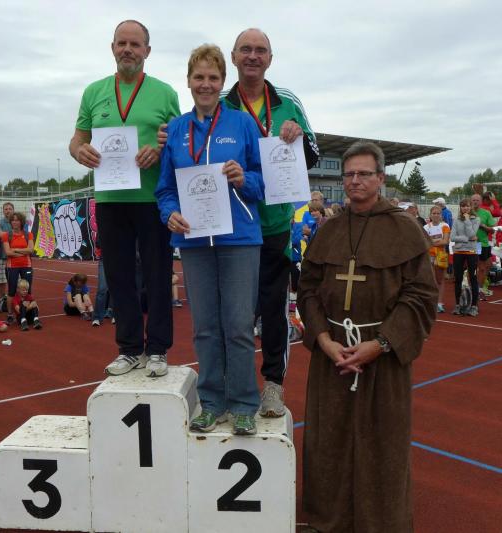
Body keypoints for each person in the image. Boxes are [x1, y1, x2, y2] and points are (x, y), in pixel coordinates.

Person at [297, 141, 437, 532]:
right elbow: (308, 289)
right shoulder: (329, 229)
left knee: (382, 442)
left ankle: (381, 522)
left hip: (382, 355)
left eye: (363, 174)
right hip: (333, 353)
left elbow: (421, 295)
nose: (355, 181)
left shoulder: (404, 228)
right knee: (329, 440)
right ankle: (328, 519)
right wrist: (323, 339)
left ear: (380, 178)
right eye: (349, 174)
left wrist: (381, 344)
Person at [156, 43, 264, 433]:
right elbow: (165, 189)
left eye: (213, 78)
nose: (206, 84)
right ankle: (212, 401)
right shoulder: (176, 130)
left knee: (238, 326)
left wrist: (244, 178)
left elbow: (263, 183)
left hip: (240, 239)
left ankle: (244, 403)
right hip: (194, 242)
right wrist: (169, 214)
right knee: (204, 327)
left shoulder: (242, 124)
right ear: (188, 81)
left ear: (223, 82)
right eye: (199, 77)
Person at [69, 20, 180, 377]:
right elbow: (77, 140)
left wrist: (160, 149)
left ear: (147, 50)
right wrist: (80, 151)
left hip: (152, 199)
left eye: (135, 44)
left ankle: (158, 348)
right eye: (122, 43)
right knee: (119, 277)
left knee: (158, 275)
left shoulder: (165, 93)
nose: (127, 49)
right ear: (112, 47)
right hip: (110, 199)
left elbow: (179, 140)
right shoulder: (94, 92)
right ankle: (130, 349)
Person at [222, 27, 319, 418]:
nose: (253, 56)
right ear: (233, 56)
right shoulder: (221, 104)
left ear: (270, 59)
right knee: (235, 313)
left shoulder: (288, 102)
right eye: (245, 49)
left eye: (260, 50)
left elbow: (313, 154)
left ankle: (273, 386)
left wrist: (298, 139)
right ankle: (234, 387)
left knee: (274, 311)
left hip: (275, 225)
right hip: (233, 225)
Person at [450, 199, 480, 316]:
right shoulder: (456, 220)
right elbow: (452, 237)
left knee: (473, 278)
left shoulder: (476, 219)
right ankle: (458, 305)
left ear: (470, 207)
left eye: (467, 206)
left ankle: (474, 306)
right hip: (458, 251)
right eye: (463, 206)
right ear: (460, 208)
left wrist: (467, 220)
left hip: (472, 252)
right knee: (458, 278)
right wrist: (467, 239)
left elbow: (472, 233)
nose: (465, 208)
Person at [2, 212, 34, 321]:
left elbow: (31, 250)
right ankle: (10, 314)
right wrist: (23, 252)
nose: (15, 222)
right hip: (12, 266)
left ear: (21, 222)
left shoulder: (28, 235)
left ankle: (27, 313)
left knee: (27, 290)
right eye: (13, 220)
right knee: (11, 291)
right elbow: (8, 252)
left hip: (26, 265)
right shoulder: (7, 235)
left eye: (17, 220)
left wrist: (15, 250)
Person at [424, 204, 450, 313]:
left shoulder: (445, 226)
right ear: (430, 215)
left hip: (441, 255)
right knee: (430, 280)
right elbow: (424, 243)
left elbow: (445, 241)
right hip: (429, 256)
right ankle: (431, 302)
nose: (436, 215)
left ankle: (439, 303)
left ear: (441, 215)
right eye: (434, 213)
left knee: (440, 279)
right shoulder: (426, 227)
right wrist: (437, 241)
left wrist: (432, 241)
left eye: (438, 213)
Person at [470, 193, 496, 298]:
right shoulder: (466, 213)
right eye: (473, 200)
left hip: (482, 243)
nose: (475, 202)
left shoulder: (486, 213)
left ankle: (479, 287)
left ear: (481, 202)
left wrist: (483, 226)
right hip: (471, 243)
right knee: (474, 267)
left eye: (477, 200)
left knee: (485, 266)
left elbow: (493, 229)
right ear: (470, 201)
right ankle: (473, 289)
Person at [0, 202, 14, 317]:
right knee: (1, 282)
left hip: (14, 256)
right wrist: (12, 235)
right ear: (3, 211)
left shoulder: (18, 222)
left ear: (13, 210)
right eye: (6, 209)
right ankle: (1, 302)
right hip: (2, 256)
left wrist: (5, 235)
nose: (8, 211)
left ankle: (14, 302)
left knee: (15, 281)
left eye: (10, 209)